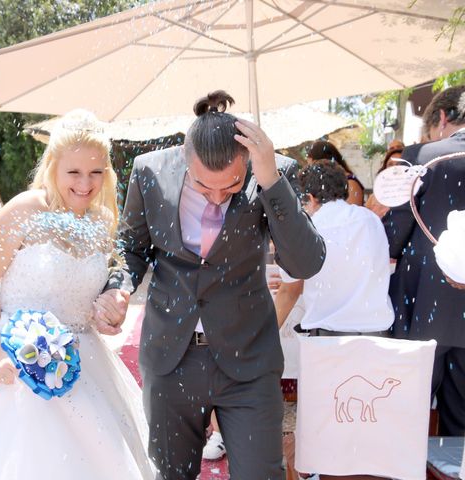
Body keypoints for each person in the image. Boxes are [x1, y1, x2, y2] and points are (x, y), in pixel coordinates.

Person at [96, 91, 325, 480]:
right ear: (184, 159)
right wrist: (118, 286)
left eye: (232, 186)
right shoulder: (149, 172)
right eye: (204, 187)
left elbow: (306, 261)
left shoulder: (272, 171)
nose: (218, 198)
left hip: (249, 359)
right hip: (171, 359)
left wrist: (269, 179)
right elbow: (130, 249)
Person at [0, 109, 153, 479]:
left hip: (81, 364)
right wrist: (0, 350)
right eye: (74, 172)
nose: (85, 183)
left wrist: (106, 310)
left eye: (95, 172)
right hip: (14, 358)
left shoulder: (102, 220)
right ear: (54, 167)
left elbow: (84, 292)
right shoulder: (23, 209)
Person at [384, 85, 465, 436]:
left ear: (443, 118)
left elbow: (397, 227)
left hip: (423, 302)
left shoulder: (424, 156)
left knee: (409, 409)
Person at [274, 160, 394, 336]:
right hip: (378, 336)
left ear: (310, 197)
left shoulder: (307, 230)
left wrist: (262, 341)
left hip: (328, 341)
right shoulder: (371, 220)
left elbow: (289, 291)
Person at [307, 140, 365, 206]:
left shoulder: (350, 183)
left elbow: (352, 212)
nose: (311, 172)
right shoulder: (327, 184)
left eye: (313, 166)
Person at [365, 146, 405, 218]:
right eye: (390, 164)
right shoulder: (374, 197)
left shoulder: (413, 197)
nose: (394, 168)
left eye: (399, 164)